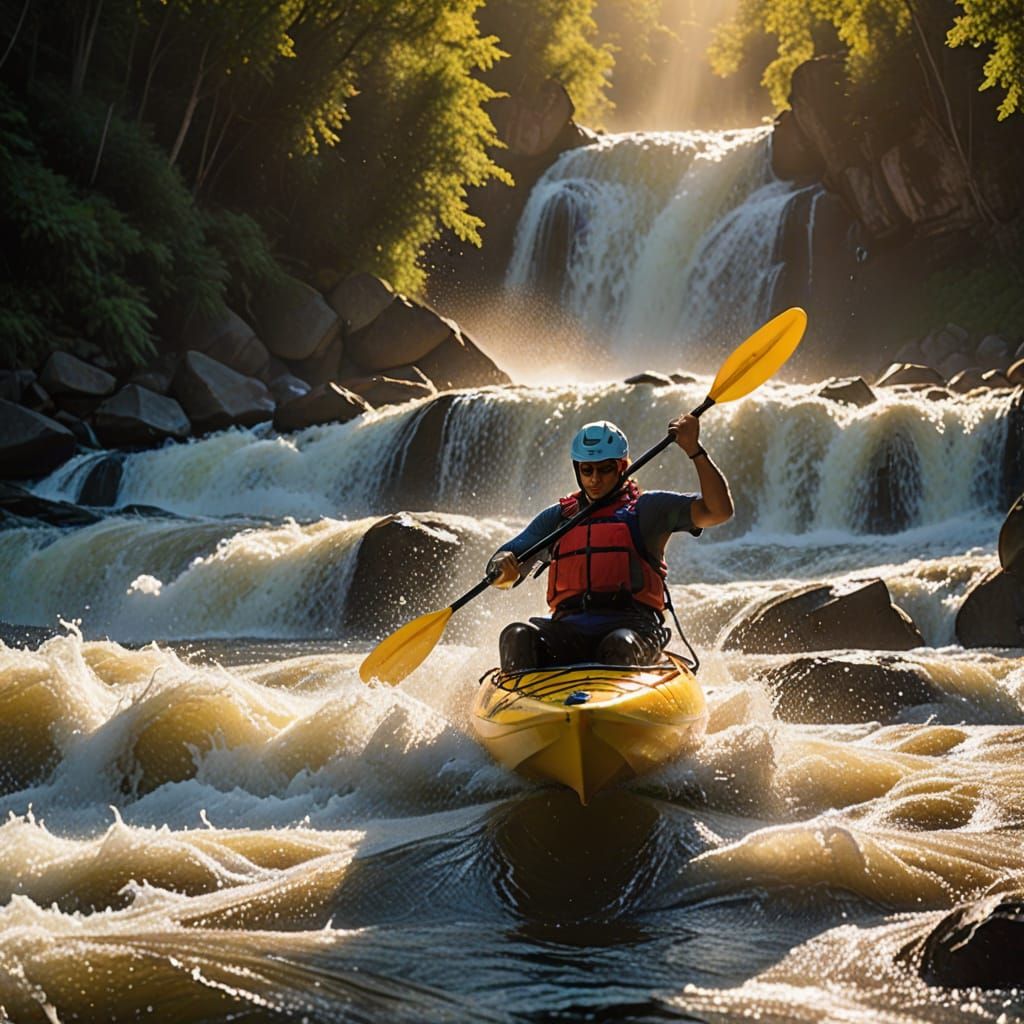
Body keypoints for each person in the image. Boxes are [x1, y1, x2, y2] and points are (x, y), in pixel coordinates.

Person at [486, 414, 733, 672]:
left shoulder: (648, 510)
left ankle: (614, 704)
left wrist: (695, 450)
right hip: (569, 631)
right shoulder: (559, 518)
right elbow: (502, 568)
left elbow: (719, 511)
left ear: (621, 467)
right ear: (577, 469)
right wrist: (503, 567)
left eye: (605, 469)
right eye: (587, 470)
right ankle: (526, 706)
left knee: (619, 645)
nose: (595, 479)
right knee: (516, 635)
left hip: (632, 628)